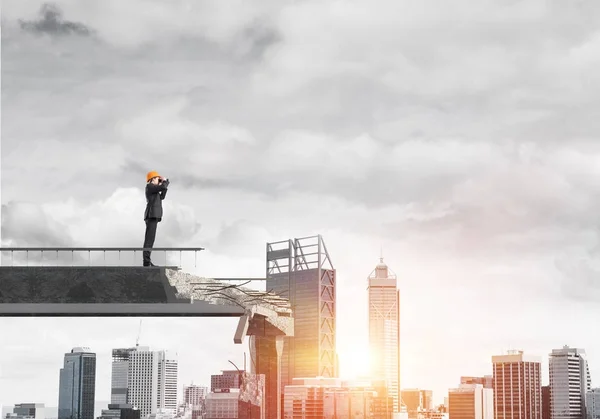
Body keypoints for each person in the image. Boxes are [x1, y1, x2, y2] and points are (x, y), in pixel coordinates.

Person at [143, 171, 170, 267]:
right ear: (152, 179)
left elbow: (162, 196)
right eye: (157, 179)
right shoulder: (149, 186)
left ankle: (147, 260)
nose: (158, 180)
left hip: (154, 216)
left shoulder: (155, 191)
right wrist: (165, 182)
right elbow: (162, 187)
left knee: (151, 239)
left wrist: (164, 185)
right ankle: (146, 262)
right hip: (151, 215)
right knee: (149, 239)